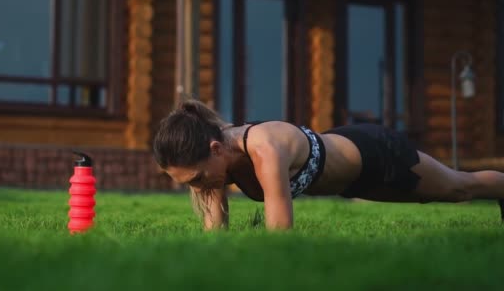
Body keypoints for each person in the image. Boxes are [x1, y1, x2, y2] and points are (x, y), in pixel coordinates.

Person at [152, 99, 504, 231]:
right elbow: (215, 236)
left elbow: (280, 236)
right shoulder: (215, 164)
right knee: (431, 197)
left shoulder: (265, 148)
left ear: (215, 149)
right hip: (351, 183)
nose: (198, 187)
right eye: (189, 184)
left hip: (375, 155)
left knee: (457, 189)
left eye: (196, 179)